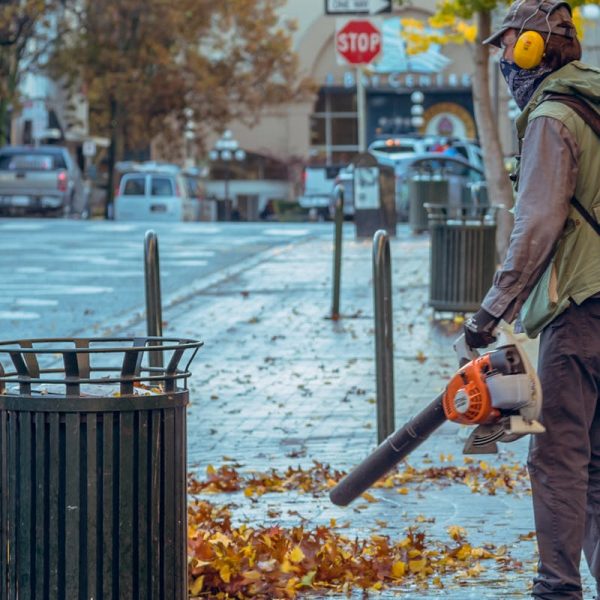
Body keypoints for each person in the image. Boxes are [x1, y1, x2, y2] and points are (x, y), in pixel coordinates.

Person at [463, 1, 600, 598]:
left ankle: (557, 589)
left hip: (583, 309)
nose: (502, 59)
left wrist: (491, 310)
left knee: (559, 458)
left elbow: (539, 222)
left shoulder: (552, 117)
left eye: (507, 46)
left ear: (530, 50)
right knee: (596, 466)